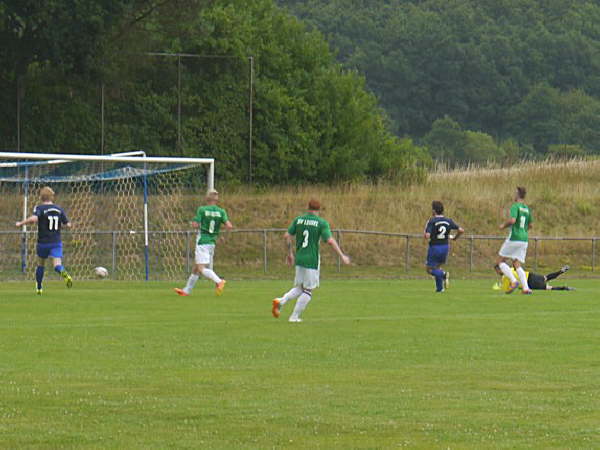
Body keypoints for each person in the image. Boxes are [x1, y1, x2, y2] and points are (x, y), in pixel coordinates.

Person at [272, 199, 350, 323]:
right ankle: (294, 317)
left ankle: (280, 301)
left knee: (301, 287)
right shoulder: (321, 223)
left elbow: (287, 236)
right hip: (311, 260)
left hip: (300, 258)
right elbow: (329, 241)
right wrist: (342, 256)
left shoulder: (298, 220)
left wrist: (290, 254)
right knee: (308, 291)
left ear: (308, 208)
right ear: (319, 210)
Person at [174, 189, 232, 297]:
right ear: (216, 200)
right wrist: (218, 232)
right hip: (211, 242)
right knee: (196, 268)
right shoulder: (221, 211)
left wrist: (193, 224)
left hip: (202, 241)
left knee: (201, 268)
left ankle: (219, 281)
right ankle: (186, 291)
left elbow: (196, 224)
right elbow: (229, 226)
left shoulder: (202, 209)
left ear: (207, 199)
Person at [15, 186, 73, 294]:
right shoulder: (59, 209)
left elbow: (34, 219)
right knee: (57, 265)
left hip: (43, 242)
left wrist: (21, 223)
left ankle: (39, 287)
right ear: (52, 197)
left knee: (41, 264)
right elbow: (68, 224)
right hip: (56, 242)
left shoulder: (40, 208)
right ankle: (63, 272)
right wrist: (65, 225)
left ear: (41, 197)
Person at [496, 186, 533, 294]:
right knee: (516, 263)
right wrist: (523, 231)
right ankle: (526, 288)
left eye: (515, 193)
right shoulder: (526, 208)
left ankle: (513, 281)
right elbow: (530, 225)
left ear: (517, 195)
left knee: (500, 261)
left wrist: (503, 225)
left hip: (514, 237)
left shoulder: (515, 206)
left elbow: (512, 220)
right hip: (524, 239)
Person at [423, 201, 464, 292]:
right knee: (437, 267)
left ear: (434, 210)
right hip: (445, 246)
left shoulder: (432, 221)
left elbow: (427, 236)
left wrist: (426, 234)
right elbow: (461, 230)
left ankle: (443, 274)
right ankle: (440, 289)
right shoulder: (448, 221)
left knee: (429, 269)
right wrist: (455, 238)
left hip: (435, 247)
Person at [494, 265, 574, 291]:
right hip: (530, 275)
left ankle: (565, 288)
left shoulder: (505, 277)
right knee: (546, 277)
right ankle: (561, 271)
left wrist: (498, 287)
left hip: (529, 283)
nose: (497, 272)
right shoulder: (510, 268)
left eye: (497, 270)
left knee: (548, 287)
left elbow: (506, 289)